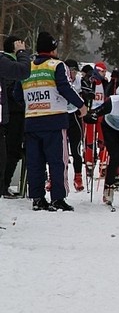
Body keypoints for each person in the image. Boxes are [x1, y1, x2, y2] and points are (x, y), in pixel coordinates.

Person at [22, 31, 87, 211]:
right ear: (52, 49)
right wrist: (81, 105)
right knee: (58, 161)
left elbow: (18, 95)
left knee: (35, 163)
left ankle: (37, 198)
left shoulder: (27, 66)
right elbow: (65, 88)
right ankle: (58, 198)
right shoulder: (57, 65)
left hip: (32, 121)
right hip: (54, 121)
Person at [0, 34, 31, 197]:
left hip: (11, 113)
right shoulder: (8, 62)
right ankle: (4, 184)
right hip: (12, 114)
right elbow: (19, 75)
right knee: (11, 152)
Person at [80, 61, 109, 182]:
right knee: (89, 141)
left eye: (105, 72)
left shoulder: (105, 83)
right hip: (90, 113)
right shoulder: (90, 80)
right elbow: (83, 91)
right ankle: (89, 165)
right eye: (102, 71)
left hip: (102, 114)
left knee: (103, 141)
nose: (104, 74)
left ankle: (103, 166)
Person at [63, 59, 85, 191]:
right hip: (61, 115)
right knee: (60, 150)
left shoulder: (79, 81)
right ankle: (56, 178)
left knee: (76, 149)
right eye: (70, 71)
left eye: (75, 71)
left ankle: (78, 177)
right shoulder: (60, 78)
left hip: (74, 116)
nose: (72, 74)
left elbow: (87, 91)